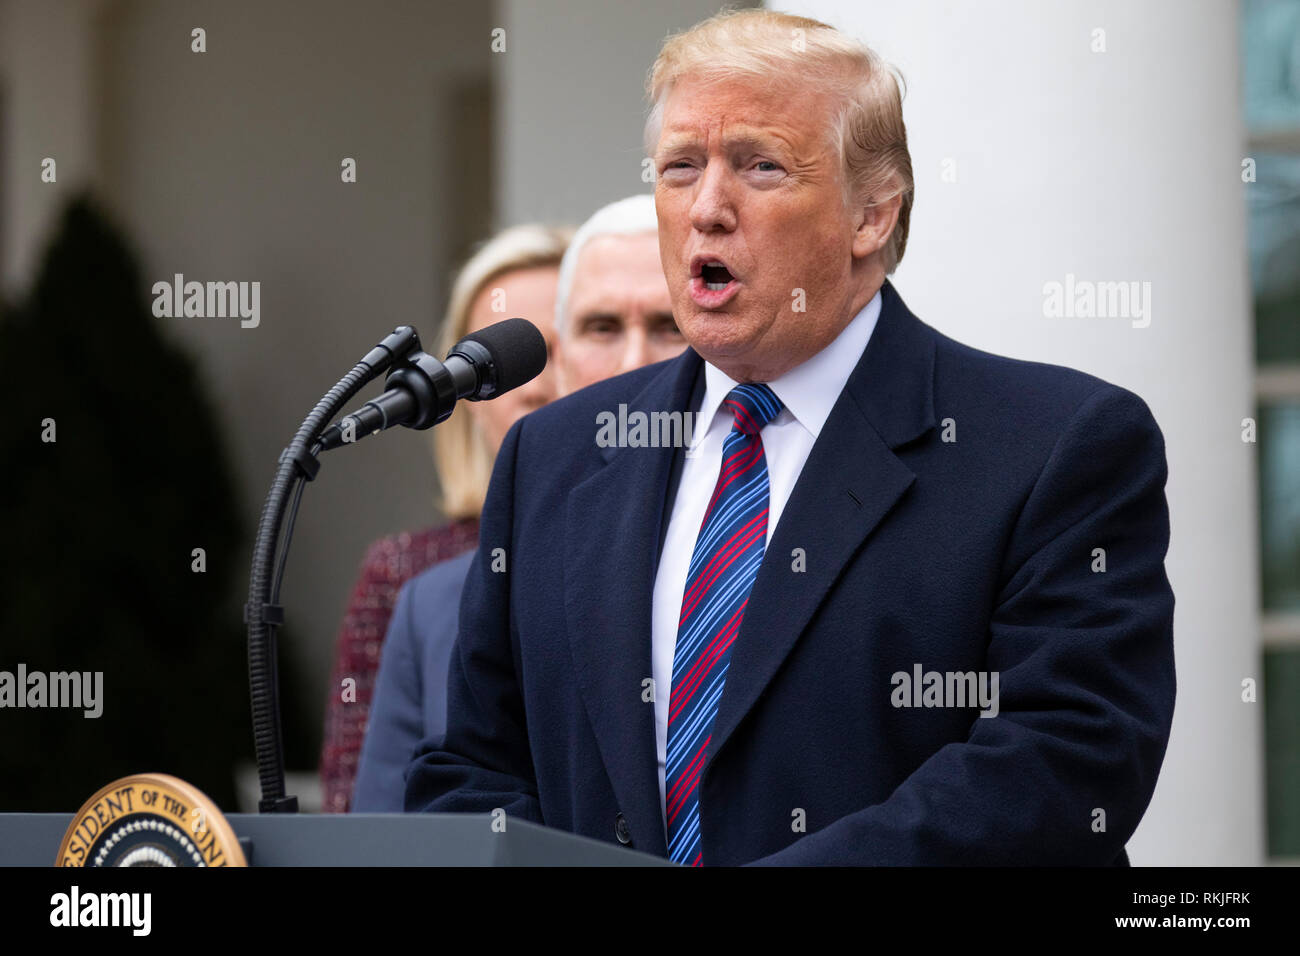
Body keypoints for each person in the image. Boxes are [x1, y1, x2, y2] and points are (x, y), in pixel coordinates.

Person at [404, 9, 1176, 866]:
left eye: (759, 166)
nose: (706, 209)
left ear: (872, 215)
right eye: (680, 168)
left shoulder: (1052, 446)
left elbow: (1063, 766)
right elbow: (474, 770)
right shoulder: (555, 455)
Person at [352, 194, 685, 810]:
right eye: (602, 328)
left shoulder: (737, 530)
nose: (632, 361)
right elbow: (378, 826)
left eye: (667, 327)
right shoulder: (427, 592)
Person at [318, 224, 571, 813]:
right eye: (503, 368)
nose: (537, 389)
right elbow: (361, 817)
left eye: (557, 352)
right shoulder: (407, 576)